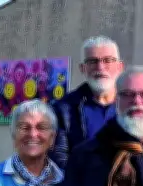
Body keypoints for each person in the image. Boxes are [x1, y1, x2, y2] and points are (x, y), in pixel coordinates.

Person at [50, 36, 124, 168]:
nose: (100, 67)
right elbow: (59, 158)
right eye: (92, 61)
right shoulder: (63, 109)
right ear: (82, 68)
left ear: (120, 67)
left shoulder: (135, 105)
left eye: (108, 60)